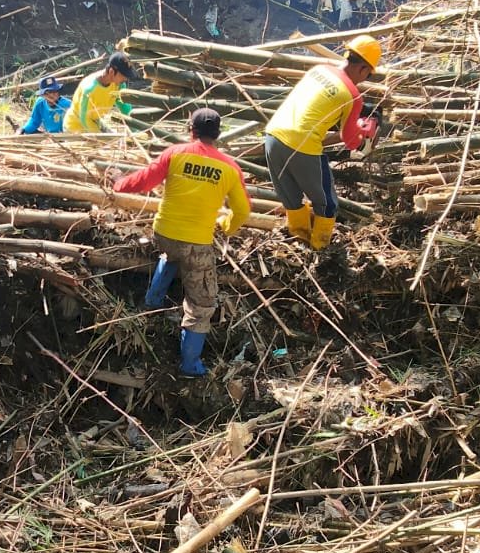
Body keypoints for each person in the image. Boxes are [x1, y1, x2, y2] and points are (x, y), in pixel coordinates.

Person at [111, 108, 252, 376]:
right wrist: (227, 225)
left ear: (191, 130)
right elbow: (243, 210)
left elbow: (143, 181)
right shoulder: (230, 168)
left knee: (171, 254)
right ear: (218, 134)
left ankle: (152, 302)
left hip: (163, 234)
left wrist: (118, 182)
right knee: (201, 304)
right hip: (196, 243)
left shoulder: (175, 153)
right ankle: (190, 365)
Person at [263, 34, 383, 251]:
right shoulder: (352, 95)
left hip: (273, 135)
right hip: (302, 146)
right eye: (367, 75)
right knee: (327, 204)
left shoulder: (318, 70)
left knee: (291, 198)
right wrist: (364, 132)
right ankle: (321, 250)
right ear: (364, 69)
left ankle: (299, 242)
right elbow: (349, 141)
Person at [64, 52, 139, 133]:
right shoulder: (89, 89)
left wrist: (134, 130)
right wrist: (100, 137)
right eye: (123, 76)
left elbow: (125, 108)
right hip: (76, 127)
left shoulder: (119, 85)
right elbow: (85, 118)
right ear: (111, 72)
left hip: (96, 121)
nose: (125, 79)